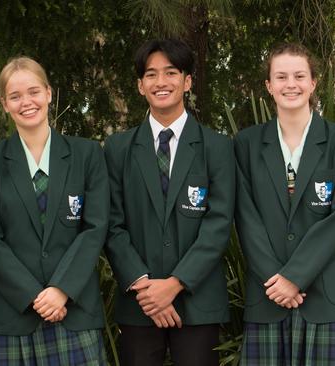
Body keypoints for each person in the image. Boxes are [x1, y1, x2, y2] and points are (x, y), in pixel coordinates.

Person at [104, 39, 235, 366]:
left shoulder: (216, 148)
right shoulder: (118, 149)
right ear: (140, 85)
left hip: (197, 301)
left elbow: (217, 226)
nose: (161, 82)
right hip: (139, 303)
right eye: (151, 74)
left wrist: (175, 284)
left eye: (171, 72)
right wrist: (146, 287)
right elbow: (110, 223)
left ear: (187, 81)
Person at [0, 56, 109, 365]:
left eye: (33, 91)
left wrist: (61, 289)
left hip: (73, 312)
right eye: (15, 96)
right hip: (13, 316)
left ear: (48, 93)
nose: (26, 102)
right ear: (5, 104)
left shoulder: (86, 154)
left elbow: (94, 228)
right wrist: (34, 296)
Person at [234, 43, 335, 365]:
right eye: (281, 76)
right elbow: (246, 217)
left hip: (329, 296)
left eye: (299, 76)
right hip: (269, 295)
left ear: (313, 82)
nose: (290, 84)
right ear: (268, 85)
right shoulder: (246, 144)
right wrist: (278, 280)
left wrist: (296, 276)